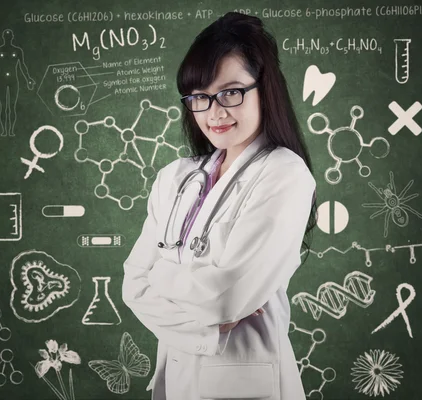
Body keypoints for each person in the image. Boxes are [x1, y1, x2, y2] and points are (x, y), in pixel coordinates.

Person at [122, 11, 317, 400]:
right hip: (177, 381)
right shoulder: (175, 177)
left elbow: (227, 298)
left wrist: (160, 273)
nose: (214, 112)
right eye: (200, 97)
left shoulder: (286, 175)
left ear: (265, 88)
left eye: (230, 92)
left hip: (247, 384)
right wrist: (205, 326)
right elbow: (131, 286)